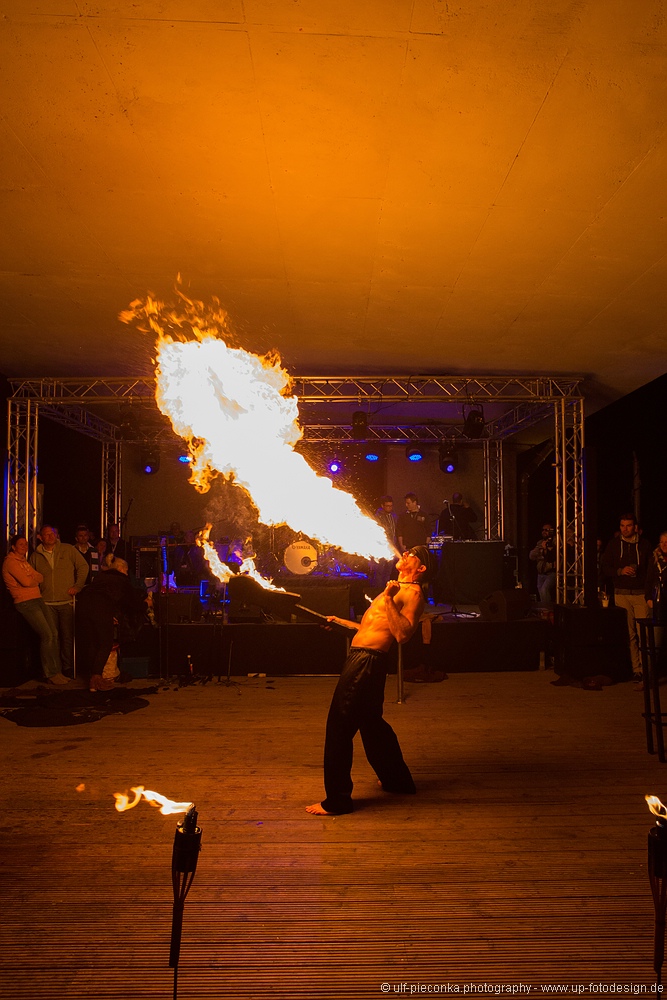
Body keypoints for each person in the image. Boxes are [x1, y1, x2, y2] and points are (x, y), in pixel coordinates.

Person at [306, 545, 429, 816]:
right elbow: (369, 629)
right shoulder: (396, 588)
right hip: (363, 658)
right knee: (372, 724)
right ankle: (397, 781)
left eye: (412, 554)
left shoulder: (413, 594)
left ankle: (337, 800)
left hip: (367, 662)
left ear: (421, 568)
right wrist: (340, 623)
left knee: (338, 728)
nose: (405, 554)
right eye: (406, 551)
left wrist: (388, 599)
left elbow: (402, 635)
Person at [2, 536, 68, 684]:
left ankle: (57, 671)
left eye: (26, 544)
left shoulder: (24, 561)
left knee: (54, 633)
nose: (24, 546)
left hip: (37, 598)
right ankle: (50, 673)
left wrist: (33, 579)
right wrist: (33, 579)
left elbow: (40, 576)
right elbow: (26, 581)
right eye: (21, 544)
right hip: (25, 602)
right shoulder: (11, 562)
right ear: (13, 547)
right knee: (47, 635)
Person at [75, 554, 147, 688]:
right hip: (100, 609)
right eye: (126, 570)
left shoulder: (101, 577)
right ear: (120, 568)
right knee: (105, 643)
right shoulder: (122, 580)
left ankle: (92, 677)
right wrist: (146, 604)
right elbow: (132, 603)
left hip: (83, 607)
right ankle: (96, 678)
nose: (127, 574)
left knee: (92, 642)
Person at [29, 524, 88, 677]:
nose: (50, 536)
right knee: (51, 637)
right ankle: (55, 669)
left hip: (66, 601)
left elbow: (83, 566)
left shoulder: (68, 549)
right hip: (47, 602)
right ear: (40, 537)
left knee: (67, 636)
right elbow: (30, 576)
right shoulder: (35, 556)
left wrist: (77, 586)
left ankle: (68, 667)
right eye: (47, 534)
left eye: (52, 533)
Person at [600, 513, 652, 686]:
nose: (625, 529)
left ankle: (647, 670)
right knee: (630, 634)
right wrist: (620, 571)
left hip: (640, 594)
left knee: (644, 633)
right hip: (621, 593)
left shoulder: (644, 545)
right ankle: (637, 670)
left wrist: (648, 592)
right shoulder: (614, 544)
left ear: (635, 527)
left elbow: (650, 570)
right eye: (622, 525)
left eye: (628, 525)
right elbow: (605, 566)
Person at [529, 523, 557, 605]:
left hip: (551, 572)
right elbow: (531, 555)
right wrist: (542, 552)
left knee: (545, 589)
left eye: (546, 530)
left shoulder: (556, 541)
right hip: (541, 572)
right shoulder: (540, 543)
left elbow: (552, 556)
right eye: (543, 530)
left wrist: (545, 551)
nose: (544, 532)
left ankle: (547, 608)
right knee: (541, 591)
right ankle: (544, 607)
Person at [646, 531, 667, 623]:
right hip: (657, 600)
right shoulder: (654, 559)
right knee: (657, 627)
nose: (664, 545)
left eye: (666, 542)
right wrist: (648, 598)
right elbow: (649, 580)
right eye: (662, 542)